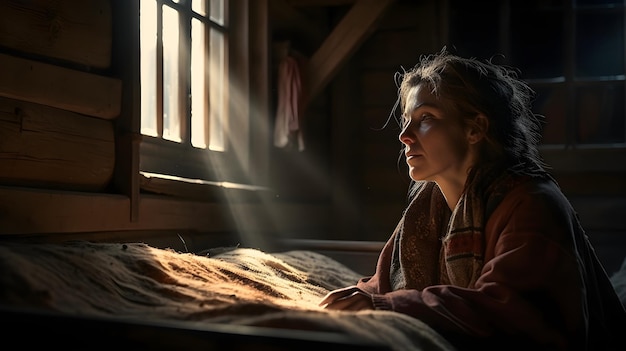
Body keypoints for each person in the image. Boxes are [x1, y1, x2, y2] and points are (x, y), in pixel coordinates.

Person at [319, 49, 626, 351]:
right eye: (406, 120)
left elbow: (509, 311)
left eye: (425, 117)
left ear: (475, 128)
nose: (405, 135)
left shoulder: (532, 203)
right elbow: (385, 284)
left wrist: (387, 306)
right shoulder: (427, 209)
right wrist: (357, 297)